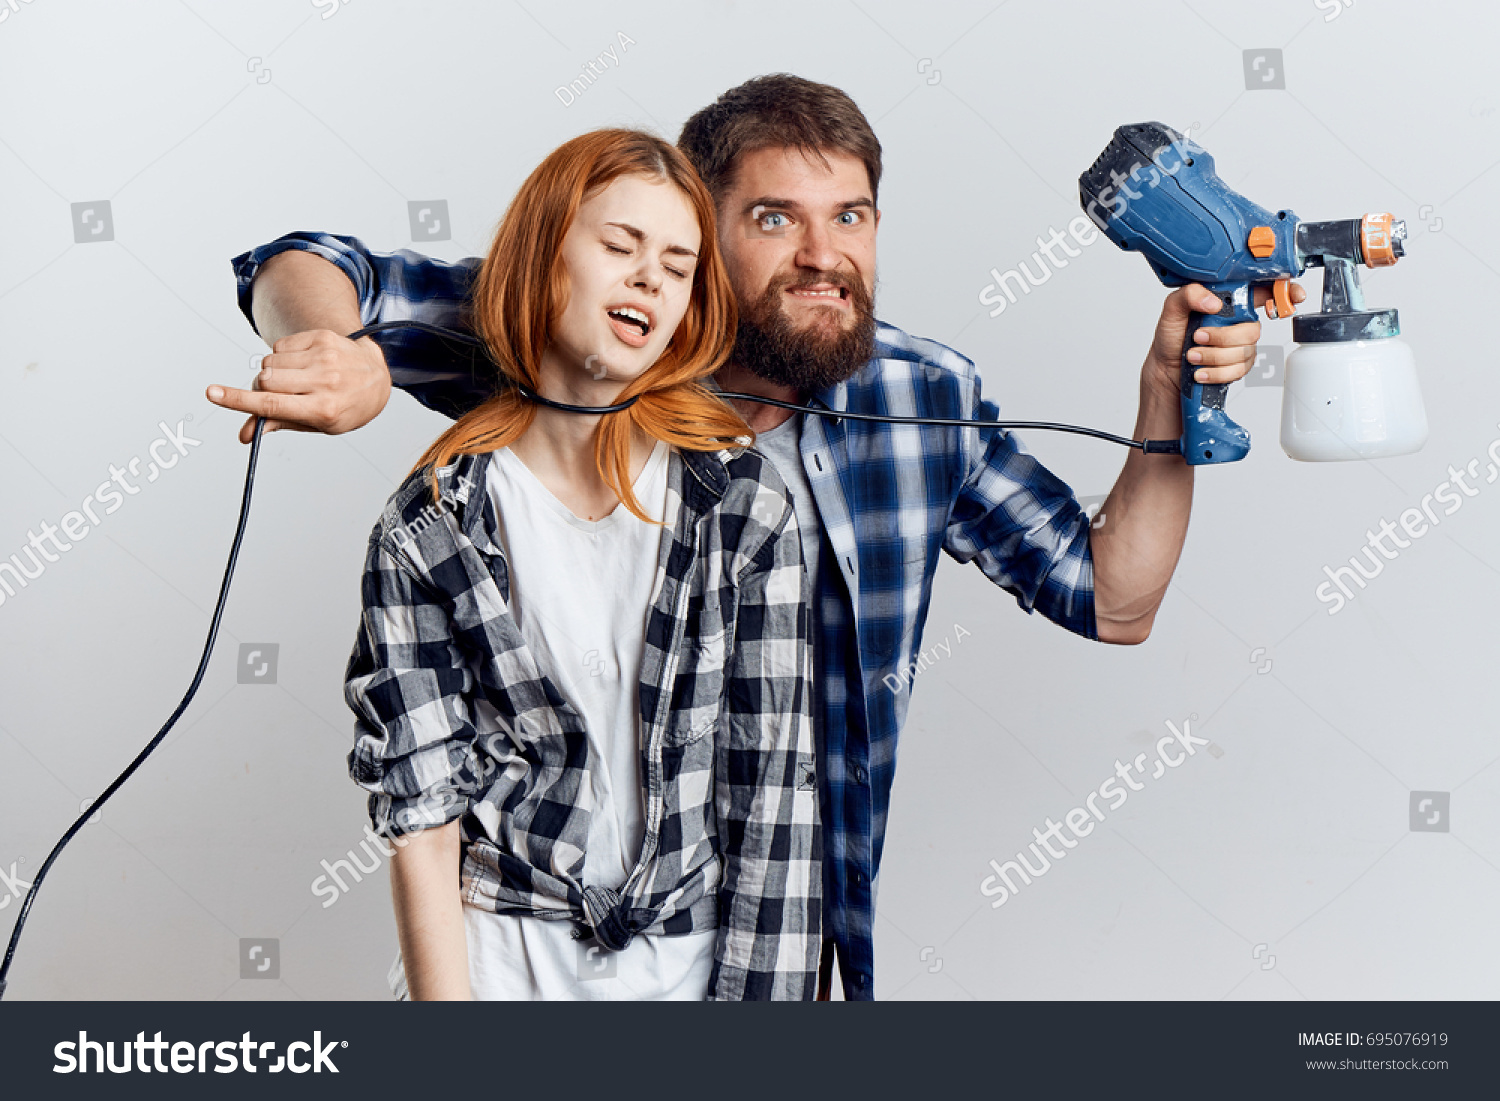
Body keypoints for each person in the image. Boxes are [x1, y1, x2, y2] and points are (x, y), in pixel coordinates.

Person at [219, 75, 1297, 999]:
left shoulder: (921, 401)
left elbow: (1114, 598)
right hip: (538, 936)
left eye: (854, 217)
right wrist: (334, 346)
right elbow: (300, 262)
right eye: (777, 219)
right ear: (701, 228)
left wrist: (1165, 394)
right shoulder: (587, 332)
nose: (825, 256)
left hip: (790, 922)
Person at [336, 128, 821, 1001]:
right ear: (541, 259)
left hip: (694, 966)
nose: (650, 279)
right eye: (620, 246)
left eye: (678, 266)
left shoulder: (743, 505)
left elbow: (773, 802)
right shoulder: (431, 525)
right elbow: (423, 814)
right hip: (499, 964)